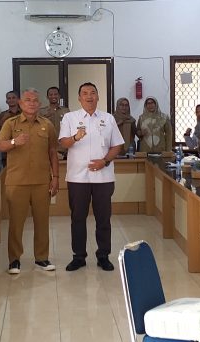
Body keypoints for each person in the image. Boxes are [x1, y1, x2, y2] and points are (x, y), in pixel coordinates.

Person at [59, 82, 124, 271]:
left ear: (98, 97)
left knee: (103, 219)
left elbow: (117, 145)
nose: (89, 96)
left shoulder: (108, 118)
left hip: (103, 177)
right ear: (79, 98)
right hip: (77, 178)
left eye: (93, 93)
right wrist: (76, 137)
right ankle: (79, 257)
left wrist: (104, 161)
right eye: (85, 93)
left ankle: (103, 256)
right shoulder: (70, 118)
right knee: (78, 218)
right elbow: (63, 143)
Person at [0, 88, 59, 274]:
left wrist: (56, 177)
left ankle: (42, 258)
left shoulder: (47, 125)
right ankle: (14, 260)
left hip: (41, 181)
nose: (32, 103)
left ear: (40, 104)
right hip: (17, 182)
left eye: (35, 100)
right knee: (16, 224)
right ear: (21, 103)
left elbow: (53, 152)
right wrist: (14, 142)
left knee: (42, 222)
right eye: (28, 100)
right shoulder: (10, 123)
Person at [39, 87, 70, 156]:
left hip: (63, 149)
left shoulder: (66, 111)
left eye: (55, 94)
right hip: (46, 148)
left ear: (59, 96)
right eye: (51, 94)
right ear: (47, 97)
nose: (53, 96)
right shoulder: (41, 112)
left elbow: (70, 128)